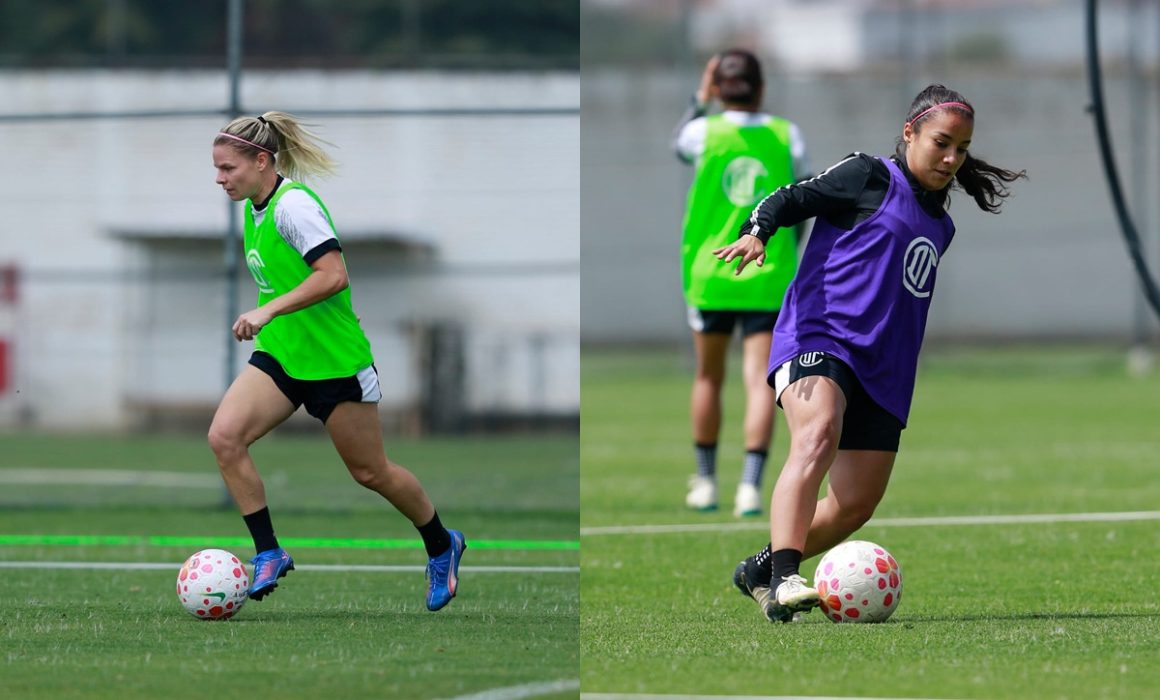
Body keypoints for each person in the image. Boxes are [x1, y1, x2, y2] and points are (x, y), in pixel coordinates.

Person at [714, 84, 1025, 622]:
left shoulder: (941, 224)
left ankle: (762, 567)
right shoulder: (868, 175)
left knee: (856, 503)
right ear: (910, 133)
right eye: (941, 143)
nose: (951, 158)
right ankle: (787, 577)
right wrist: (756, 231)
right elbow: (789, 198)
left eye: (961, 148)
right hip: (821, 338)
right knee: (817, 434)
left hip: (884, 369)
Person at [208, 112, 466, 611]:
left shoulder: (294, 207)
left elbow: (333, 275)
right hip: (284, 355)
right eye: (217, 169)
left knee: (371, 473)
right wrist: (272, 316)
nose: (220, 178)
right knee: (224, 437)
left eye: (227, 168)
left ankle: (441, 543)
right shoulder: (252, 207)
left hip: (334, 362)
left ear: (262, 161)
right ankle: (268, 552)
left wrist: (267, 308)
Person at [673, 49, 810, 517]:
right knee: (758, 381)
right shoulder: (785, 134)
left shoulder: (702, 131)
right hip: (767, 273)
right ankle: (749, 488)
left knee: (708, 375)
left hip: (711, 272)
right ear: (762, 87)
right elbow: (801, 199)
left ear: (719, 86)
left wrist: (700, 96)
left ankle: (706, 482)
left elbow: (679, 145)